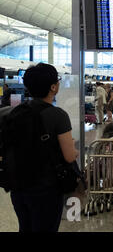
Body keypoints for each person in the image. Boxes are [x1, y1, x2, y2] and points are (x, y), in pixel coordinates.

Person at [8, 63, 78, 232]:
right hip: (46, 189)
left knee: (25, 228)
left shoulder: (15, 113)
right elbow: (69, 156)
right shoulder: (58, 115)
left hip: (18, 186)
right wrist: (74, 148)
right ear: (53, 87)